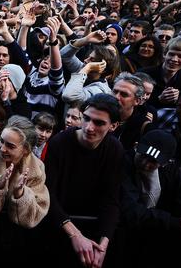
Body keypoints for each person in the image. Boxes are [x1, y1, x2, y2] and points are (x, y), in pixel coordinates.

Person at [44, 94, 124, 268]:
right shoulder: (60, 142)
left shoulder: (114, 149)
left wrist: (103, 244)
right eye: (86, 119)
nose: (89, 127)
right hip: (58, 225)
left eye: (99, 123)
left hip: (93, 229)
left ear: (113, 126)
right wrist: (75, 235)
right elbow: (47, 194)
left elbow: (111, 199)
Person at [120, 130, 181, 268]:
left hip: (158, 248)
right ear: (136, 146)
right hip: (123, 242)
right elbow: (131, 210)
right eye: (143, 155)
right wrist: (176, 223)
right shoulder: (122, 163)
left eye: (154, 161)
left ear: (166, 163)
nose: (145, 163)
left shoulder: (173, 173)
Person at [0, 115, 49, 228]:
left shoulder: (37, 168)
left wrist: (20, 194)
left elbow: (34, 216)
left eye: (10, 146)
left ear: (26, 149)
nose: (2, 148)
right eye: (2, 141)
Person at [141, 36, 181, 108]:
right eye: (171, 54)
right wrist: (158, 99)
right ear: (164, 54)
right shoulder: (144, 74)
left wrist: (179, 100)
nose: (174, 59)